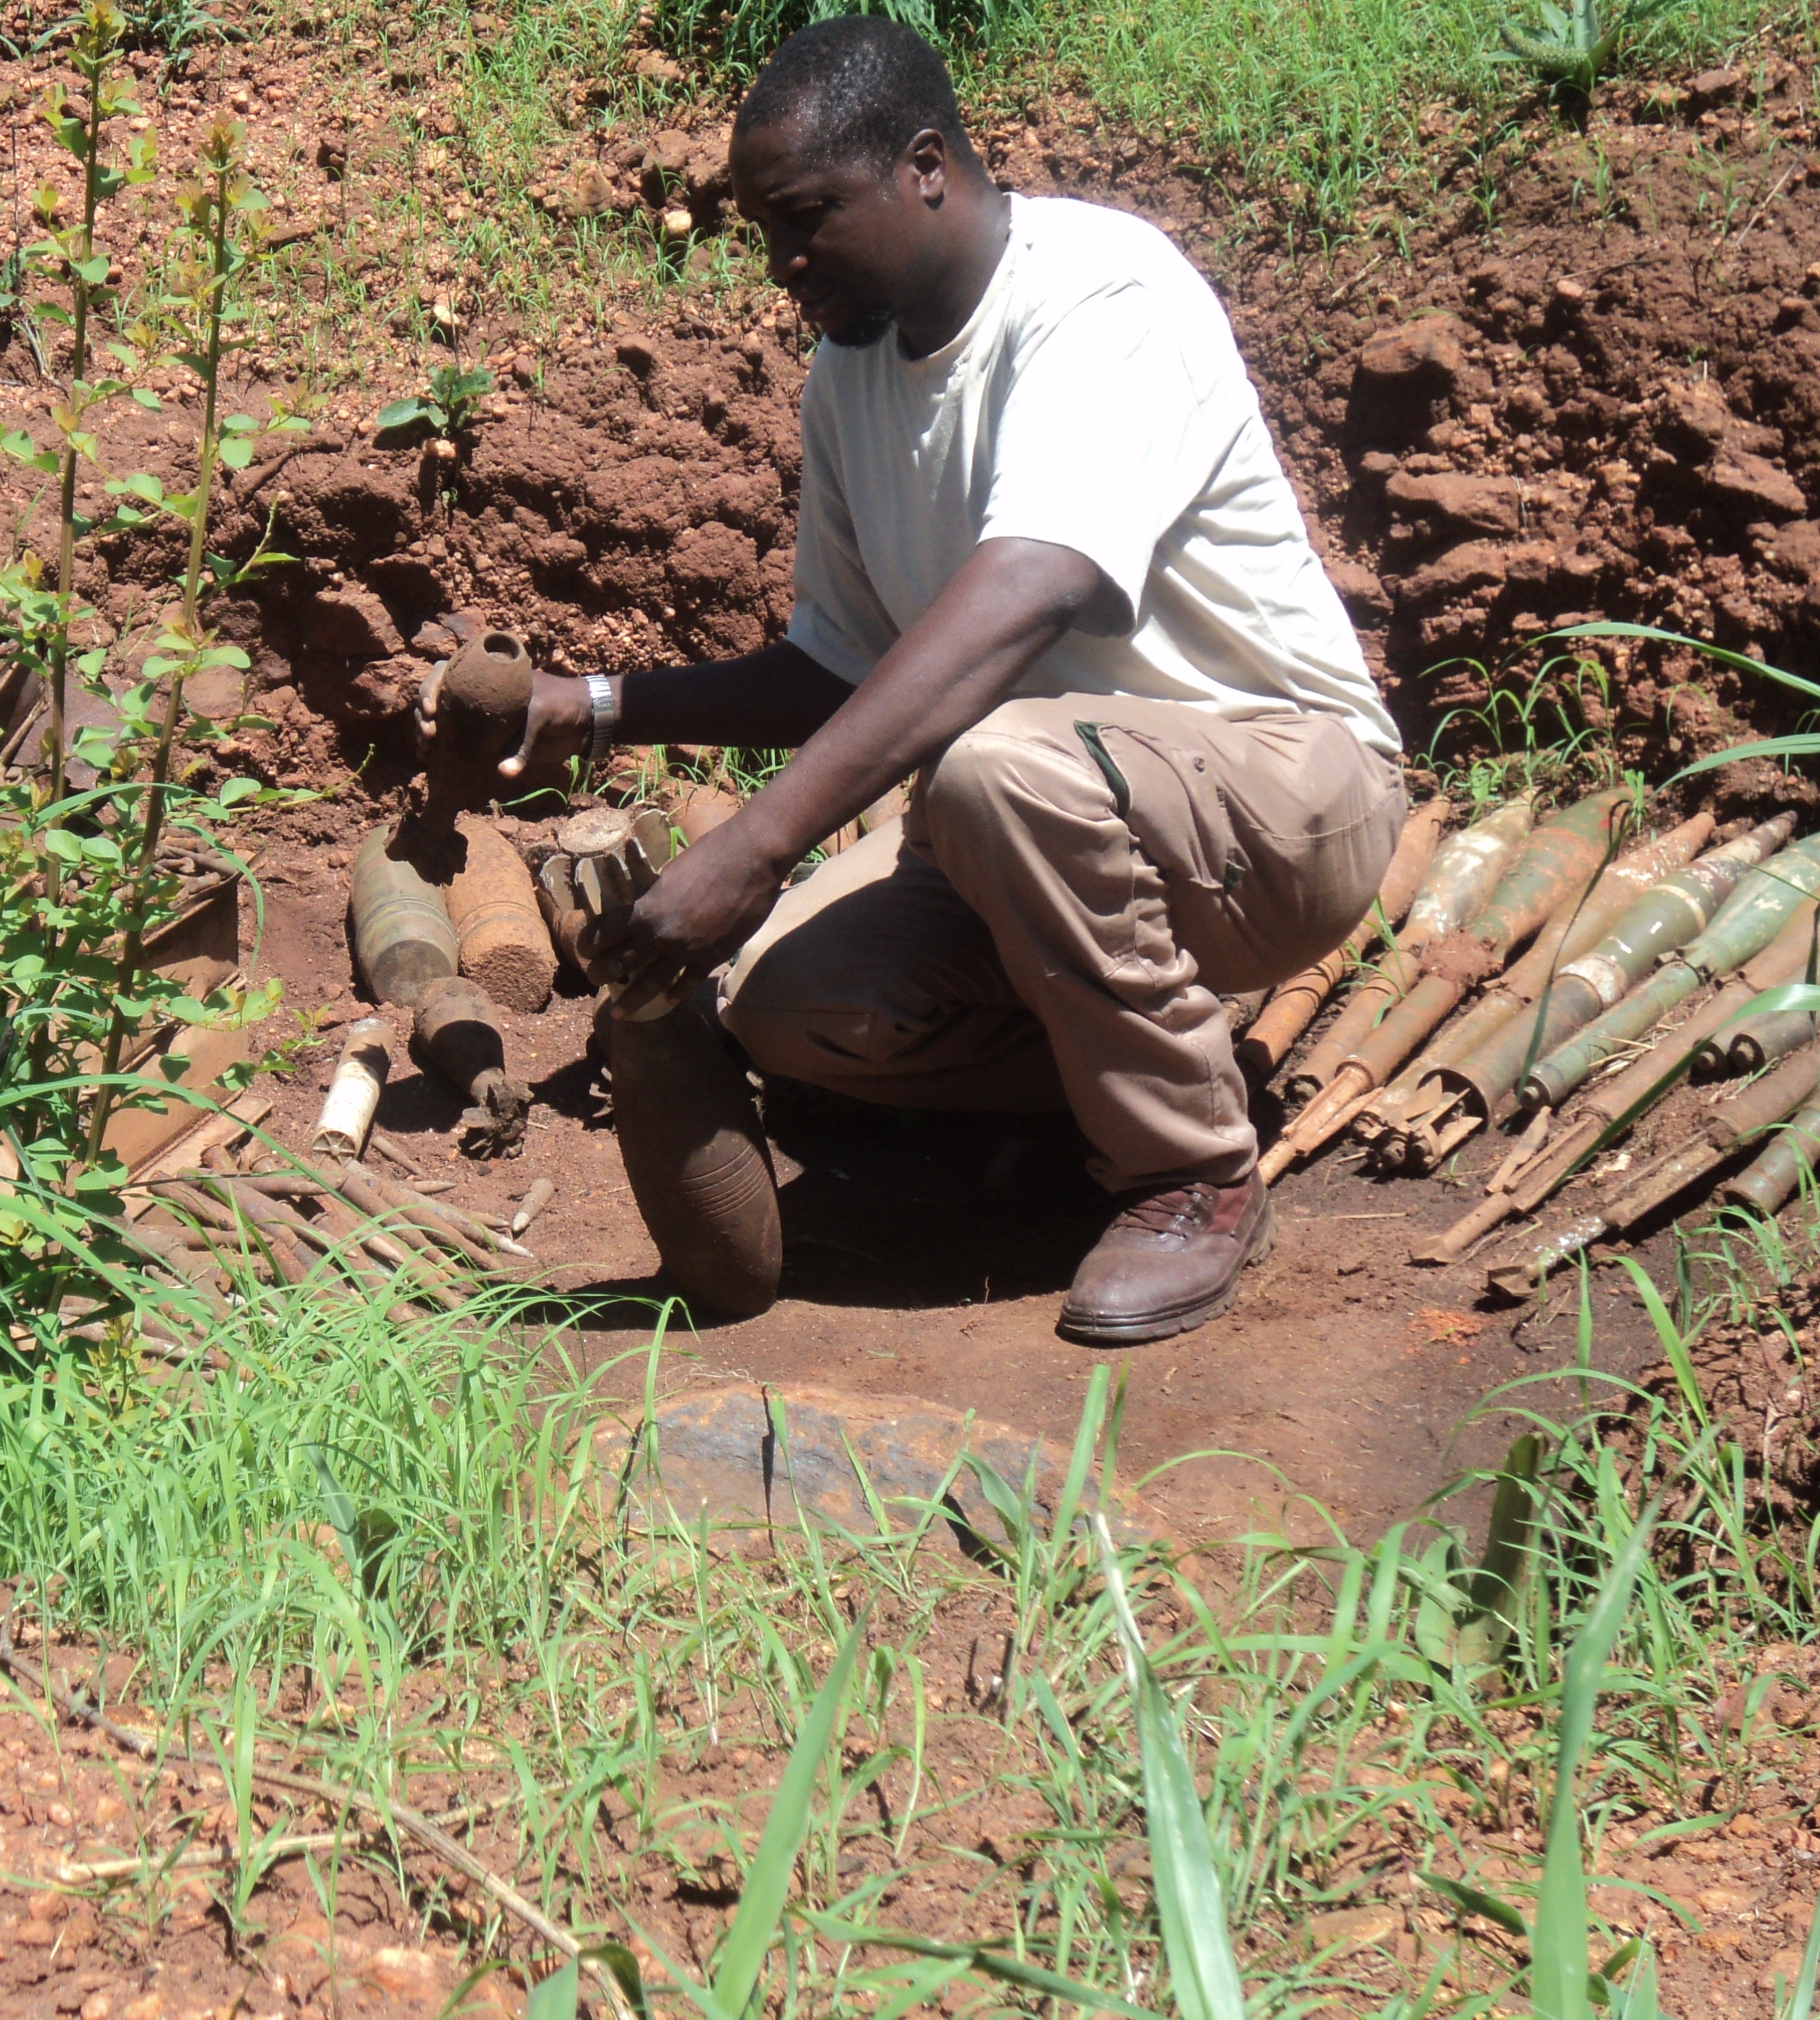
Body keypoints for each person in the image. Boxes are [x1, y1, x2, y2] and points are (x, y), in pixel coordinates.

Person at [424, 16, 1403, 1343]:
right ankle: (1128, 1073)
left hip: (1278, 797)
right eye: (763, 231)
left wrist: (757, 846)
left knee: (993, 765)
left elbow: (1030, 590)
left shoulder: (1100, 294)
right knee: (791, 1009)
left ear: (924, 167)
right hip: (1040, 819)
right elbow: (837, 660)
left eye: (807, 218)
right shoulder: (851, 373)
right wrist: (597, 708)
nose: (782, 264)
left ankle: (1191, 1178)